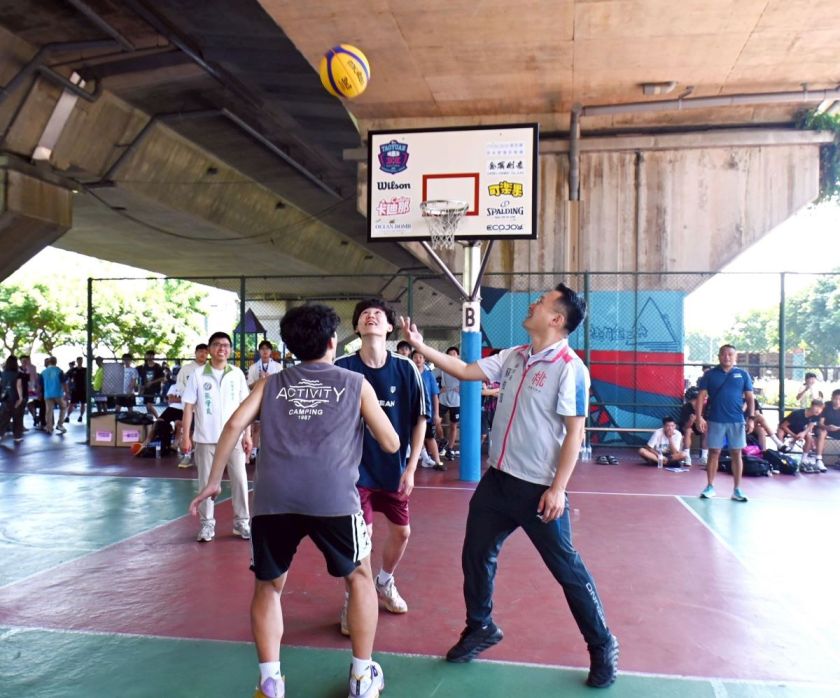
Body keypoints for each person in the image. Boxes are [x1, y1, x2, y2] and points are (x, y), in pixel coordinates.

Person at [400, 282, 619, 689]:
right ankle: (480, 627)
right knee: (476, 556)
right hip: (497, 483)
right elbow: (466, 371)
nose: (533, 303)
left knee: (567, 570)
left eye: (542, 302)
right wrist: (419, 346)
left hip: (538, 491)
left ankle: (602, 644)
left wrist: (558, 489)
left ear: (557, 319)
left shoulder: (570, 368)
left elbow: (575, 433)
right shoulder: (515, 356)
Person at [188, 304, 399, 698]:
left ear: (290, 346)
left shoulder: (269, 384)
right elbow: (390, 443)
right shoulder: (356, 384)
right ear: (333, 341)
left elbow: (234, 425)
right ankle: (361, 676)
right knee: (360, 577)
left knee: (268, 586)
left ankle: (270, 682)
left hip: (274, 499)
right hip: (334, 498)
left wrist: (214, 481)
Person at [334, 298, 426, 635]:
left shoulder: (406, 368)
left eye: (378, 314)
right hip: (354, 472)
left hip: (394, 470)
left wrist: (411, 467)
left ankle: (384, 582)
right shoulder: (342, 366)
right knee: (363, 538)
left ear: (389, 327)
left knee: (402, 533)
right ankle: (354, 597)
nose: (371, 316)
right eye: (364, 314)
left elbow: (420, 419)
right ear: (357, 327)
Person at [181, 332, 252, 542]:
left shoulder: (237, 374)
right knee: (206, 482)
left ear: (230, 350)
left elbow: (246, 407)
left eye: (226, 345)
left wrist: (247, 435)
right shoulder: (198, 374)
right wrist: (186, 436)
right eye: (217, 345)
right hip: (205, 438)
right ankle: (207, 525)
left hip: (234, 439)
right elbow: (188, 407)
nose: (222, 348)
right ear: (210, 349)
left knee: (240, 480)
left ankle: (241, 522)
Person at [695, 344, 754, 502]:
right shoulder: (710, 375)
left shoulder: (743, 375)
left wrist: (751, 418)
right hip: (715, 419)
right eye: (724, 354)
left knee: (736, 453)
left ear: (735, 356)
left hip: (737, 420)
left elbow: (750, 398)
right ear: (719, 356)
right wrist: (699, 417)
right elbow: (701, 397)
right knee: (714, 452)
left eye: (730, 354)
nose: (727, 357)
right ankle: (710, 486)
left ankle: (737, 489)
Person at [246, 340, 283, 463]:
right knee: (256, 427)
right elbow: (250, 386)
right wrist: (260, 380)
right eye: (262, 349)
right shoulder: (253, 367)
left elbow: (281, 385)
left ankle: (271, 452)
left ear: (271, 351)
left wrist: (270, 379)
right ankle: (253, 452)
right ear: (259, 351)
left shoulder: (278, 367)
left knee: (272, 426)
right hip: (257, 400)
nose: (265, 351)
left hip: (272, 400)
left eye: (267, 349)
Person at [411, 349, 446, 471]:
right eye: (415, 357)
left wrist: (436, 414)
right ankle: (424, 459)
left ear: (424, 360)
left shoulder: (429, 375)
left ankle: (437, 461)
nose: (418, 359)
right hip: (412, 411)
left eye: (421, 357)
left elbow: (435, 395)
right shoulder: (409, 373)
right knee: (414, 436)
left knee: (429, 436)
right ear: (412, 359)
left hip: (426, 412)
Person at [176, 343, 209, 467]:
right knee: (188, 431)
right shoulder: (186, 369)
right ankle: (187, 456)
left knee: (205, 432)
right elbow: (179, 385)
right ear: (195, 353)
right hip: (190, 407)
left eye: (205, 352)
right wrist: (189, 396)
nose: (203, 354)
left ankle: (204, 457)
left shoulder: (210, 368)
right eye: (200, 351)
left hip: (205, 407)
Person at [777, 399, 824, 471]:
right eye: (817, 407)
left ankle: (804, 459)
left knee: (809, 437)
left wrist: (803, 433)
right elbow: (783, 426)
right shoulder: (797, 414)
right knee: (780, 433)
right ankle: (780, 455)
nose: (818, 410)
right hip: (786, 427)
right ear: (811, 406)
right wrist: (794, 436)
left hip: (798, 428)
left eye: (820, 408)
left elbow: (810, 427)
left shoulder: (816, 415)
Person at [437, 346, 461, 459]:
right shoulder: (442, 367)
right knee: (436, 421)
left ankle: (450, 449)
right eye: (449, 354)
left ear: (458, 356)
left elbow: (470, 380)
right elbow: (431, 375)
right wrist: (438, 389)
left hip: (456, 401)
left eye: (454, 353)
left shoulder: (462, 367)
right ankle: (442, 440)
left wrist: (462, 388)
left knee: (453, 426)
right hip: (443, 399)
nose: (452, 355)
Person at [0, 355, 25, 442]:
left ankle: (0, 434)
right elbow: (19, 386)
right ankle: (17, 437)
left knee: (3, 417)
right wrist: (20, 398)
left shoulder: (2, 374)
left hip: (5, 397)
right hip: (15, 397)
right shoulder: (18, 374)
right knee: (17, 417)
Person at [41, 357, 68, 435]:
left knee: (49, 411)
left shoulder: (43, 372)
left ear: (48, 362)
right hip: (58, 393)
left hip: (47, 394)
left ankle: (49, 427)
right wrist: (67, 393)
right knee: (63, 407)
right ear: (56, 362)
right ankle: (60, 424)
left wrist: (39, 393)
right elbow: (64, 382)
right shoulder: (59, 371)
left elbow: (40, 384)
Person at [815, 389, 840, 470]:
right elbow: (820, 423)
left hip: (837, 429)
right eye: (835, 398)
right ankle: (819, 460)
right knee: (822, 432)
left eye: (839, 399)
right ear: (831, 398)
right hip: (824, 428)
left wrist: (838, 428)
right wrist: (827, 427)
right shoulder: (826, 406)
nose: (837, 401)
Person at [137, 350, 165, 419]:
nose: (150, 357)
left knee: (149, 405)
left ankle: (158, 418)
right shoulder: (143, 366)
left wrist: (152, 382)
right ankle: (151, 420)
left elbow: (163, 378)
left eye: (151, 355)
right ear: (146, 356)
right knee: (147, 406)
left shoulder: (157, 366)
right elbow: (139, 379)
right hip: (146, 389)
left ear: (153, 357)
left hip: (154, 389)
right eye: (148, 355)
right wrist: (141, 388)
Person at [65, 357, 87, 423]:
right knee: (72, 403)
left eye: (81, 360)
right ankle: (67, 417)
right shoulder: (73, 370)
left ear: (82, 361)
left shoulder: (85, 370)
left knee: (83, 403)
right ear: (77, 361)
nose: (80, 362)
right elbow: (66, 377)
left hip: (83, 389)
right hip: (75, 389)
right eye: (79, 360)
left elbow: (88, 379)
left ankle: (81, 416)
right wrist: (68, 388)